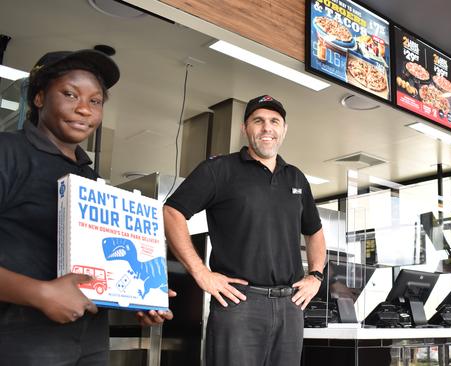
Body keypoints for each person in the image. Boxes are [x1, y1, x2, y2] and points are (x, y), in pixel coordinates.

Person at [0, 49, 173, 365]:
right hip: (22, 342)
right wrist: (41, 293)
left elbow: (101, 268)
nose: (83, 109)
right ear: (39, 98)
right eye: (69, 94)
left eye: (95, 101)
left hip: (91, 342)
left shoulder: (91, 179)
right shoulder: (8, 153)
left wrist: (139, 297)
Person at [163, 95, 326, 366]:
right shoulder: (219, 170)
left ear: (284, 130)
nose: (267, 128)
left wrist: (316, 276)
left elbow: (314, 231)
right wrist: (200, 272)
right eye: (258, 121)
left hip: (291, 305)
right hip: (239, 304)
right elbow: (172, 212)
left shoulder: (295, 177)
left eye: (275, 121)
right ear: (244, 128)